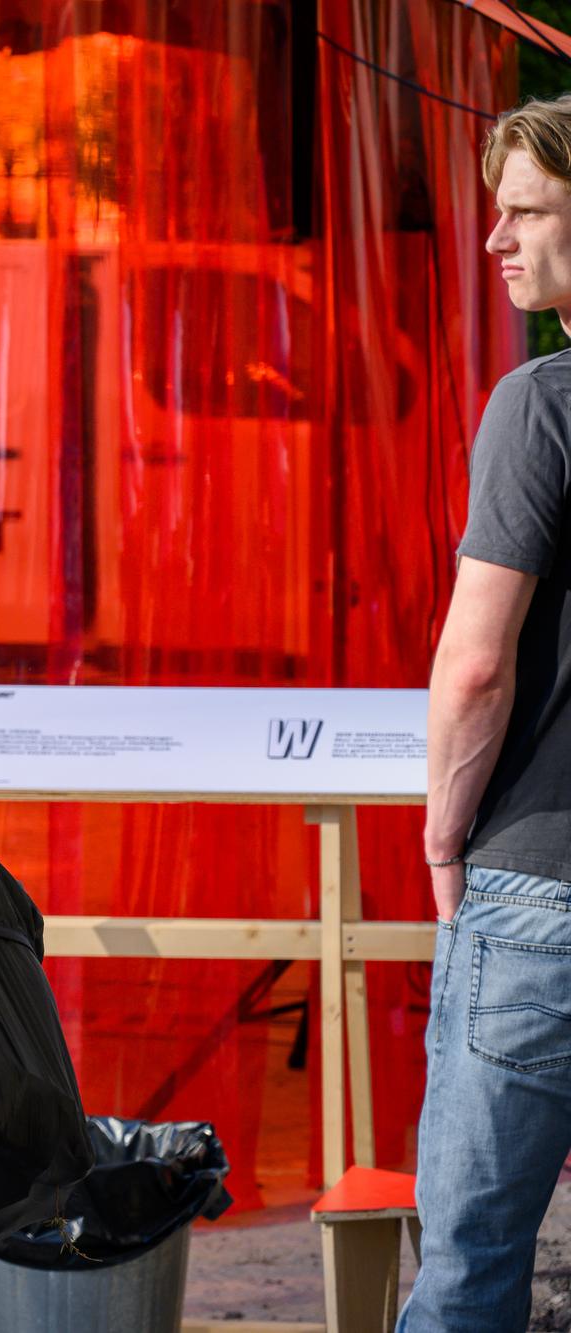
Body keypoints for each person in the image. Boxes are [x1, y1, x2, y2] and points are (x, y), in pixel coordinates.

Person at [406, 92, 571, 1332]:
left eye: (524, 210)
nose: (493, 239)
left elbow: (474, 663)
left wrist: (440, 833)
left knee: (467, 1271)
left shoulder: (540, 403)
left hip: (538, 887)